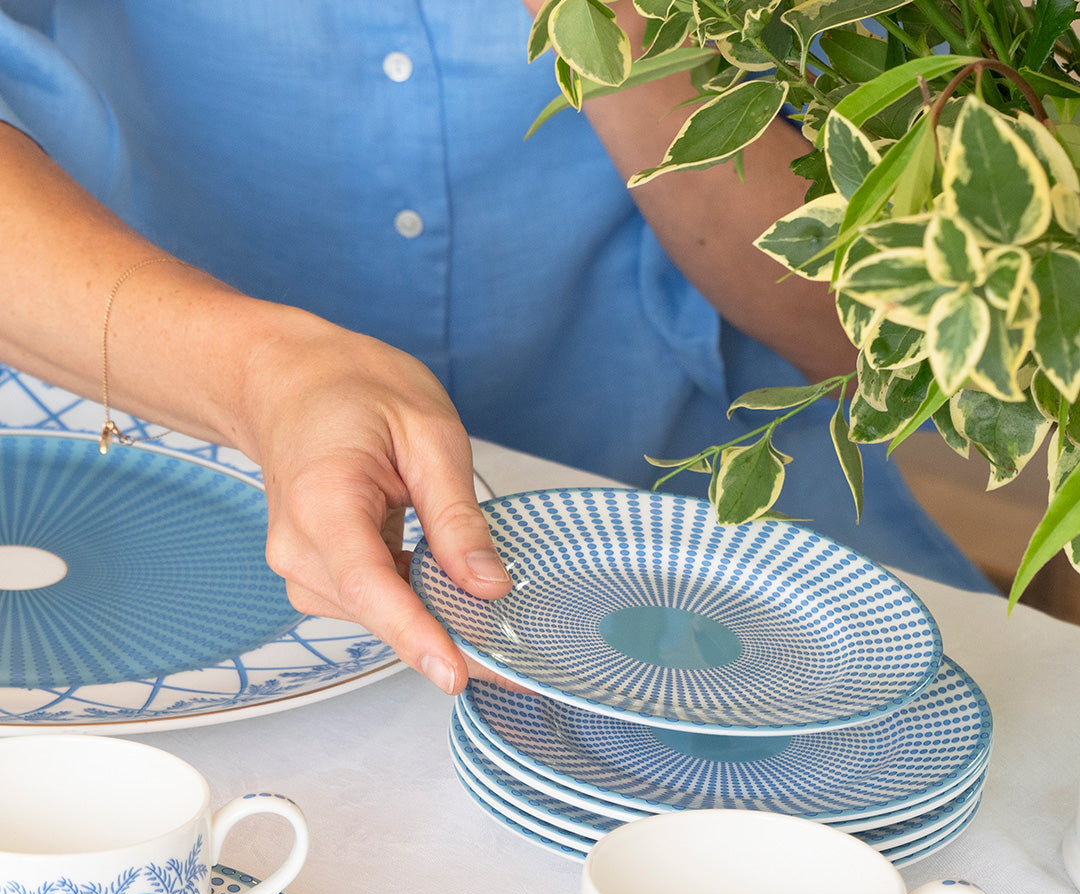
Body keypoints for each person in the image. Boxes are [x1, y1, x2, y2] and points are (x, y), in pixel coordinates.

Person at [0, 2, 989, 697]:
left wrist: (618, 25)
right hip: (161, 500)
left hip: (702, 537)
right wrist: (259, 376)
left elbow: (883, 326)